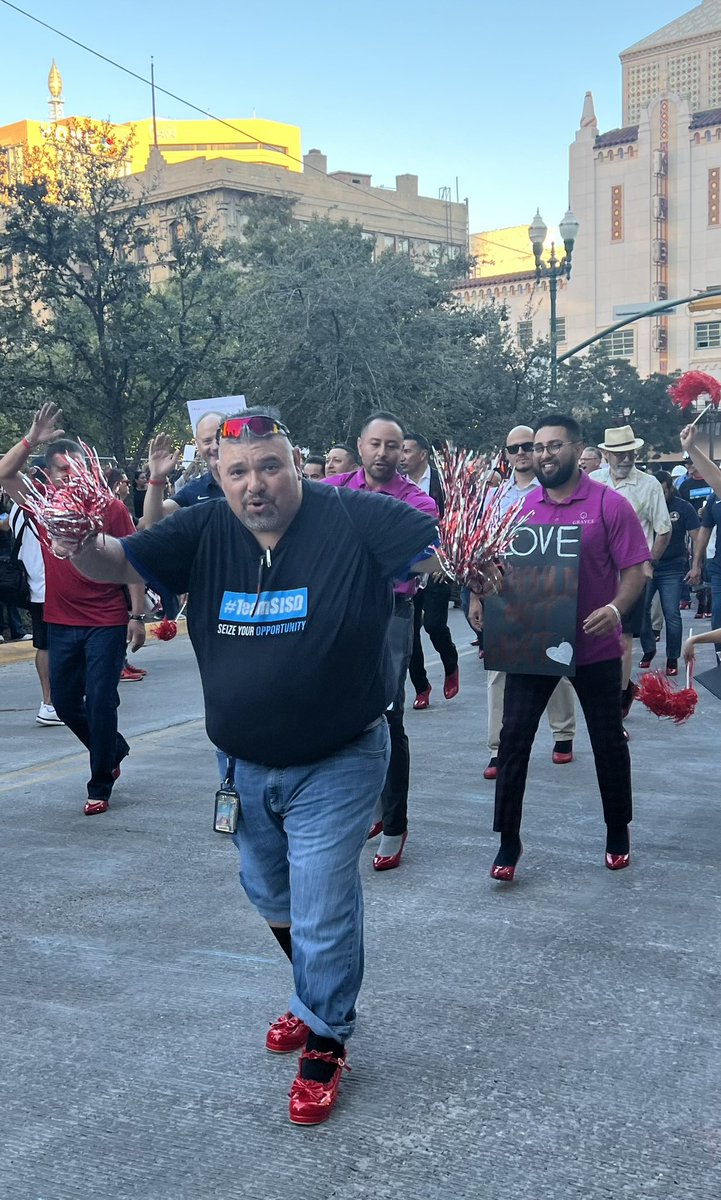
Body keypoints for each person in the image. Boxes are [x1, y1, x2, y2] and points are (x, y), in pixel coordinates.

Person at [46, 406, 439, 1126]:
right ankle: (309, 991)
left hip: (340, 754)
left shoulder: (352, 514)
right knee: (269, 892)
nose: (255, 484)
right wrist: (76, 542)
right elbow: (114, 560)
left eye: (269, 466)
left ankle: (326, 1038)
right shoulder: (202, 528)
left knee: (322, 903)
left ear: (294, 467)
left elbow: (434, 550)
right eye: (237, 472)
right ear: (219, 479)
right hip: (241, 763)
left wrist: (474, 570)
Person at [471, 413, 650, 881]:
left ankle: (617, 830)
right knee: (512, 742)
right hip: (533, 644)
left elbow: (635, 570)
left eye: (554, 446)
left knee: (609, 743)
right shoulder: (520, 509)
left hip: (594, 647)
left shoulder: (610, 506)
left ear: (576, 448)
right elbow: (497, 567)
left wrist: (615, 609)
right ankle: (508, 841)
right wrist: (480, 592)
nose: (544, 454)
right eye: (537, 447)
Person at [0, 405, 146, 816]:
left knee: (101, 699)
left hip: (106, 619)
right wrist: (31, 438)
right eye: (64, 471)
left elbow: (132, 562)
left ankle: (101, 778)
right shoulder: (43, 505)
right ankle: (112, 747)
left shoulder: (111, 508)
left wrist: (137, 616)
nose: (72, 477)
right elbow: (5, 475)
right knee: (65, 703)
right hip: (60, 618)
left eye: (78, 469)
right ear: (49, 475)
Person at [324, 412, 438, 871]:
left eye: (393, 446)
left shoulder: (417, 502)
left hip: (392, 613)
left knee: (389, 715)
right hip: (337, 613)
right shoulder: (332, 490)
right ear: (361, 445)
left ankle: (395, 822)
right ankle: (366, 805)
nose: (383, 453)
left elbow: (417, 556)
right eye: (375, 444)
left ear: (403, 452)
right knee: (343, 716)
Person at [482, 425, 576, 780]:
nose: (521, 453)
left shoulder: (554, 491)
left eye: (528, 446)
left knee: (556, 663)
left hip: (550, 588)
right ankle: (497, 747)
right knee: (497, 673)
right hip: (504, 590)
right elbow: (483, 547)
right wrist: (478, 595)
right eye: (514, 448)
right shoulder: (493, 497)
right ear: (506, 454)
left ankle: (563, 734)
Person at [591, 425, 671, 718]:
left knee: (623, 635)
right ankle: (606, 687)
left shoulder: (649, 484)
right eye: (618, 454)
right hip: (597, 571)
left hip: (631, 572)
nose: (625, 459)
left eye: (629, 453)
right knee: (595, 632)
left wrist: (648, 564)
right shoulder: (593, 481)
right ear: (605, 455)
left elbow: (663, 530)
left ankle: (619, 694)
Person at [400, 431, 459, 708]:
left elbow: (458, 524)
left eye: (407, 451)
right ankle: (421, 686)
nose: (401, 456)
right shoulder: (395, 484)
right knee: (409, 633)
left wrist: (446, 560)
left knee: (434, 624)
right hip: (408, 567)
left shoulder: (444, 483)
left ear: (422, 454)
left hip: (438, 563)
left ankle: (451, 664)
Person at [8, 494, 64, 725]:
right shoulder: (45, 507)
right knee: (61, 644)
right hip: (53, 583)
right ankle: (55, 702)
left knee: (44, 644)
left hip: (35, 584)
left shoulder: (15, 510)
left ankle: (48, 702)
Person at [637, 471, 699, 676]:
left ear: (670, 487)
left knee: (671, 613)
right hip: (645, 564)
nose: (660, 495)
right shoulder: (644, 504)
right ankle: (649, 649)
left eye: (663, 490)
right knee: (641, 611)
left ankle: (672, 657)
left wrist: (696, 565)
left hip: (672, 566)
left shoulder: (683, 507)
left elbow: (697, 536)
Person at [141, 412, 226, 525]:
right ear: (198, 445)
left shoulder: (252, 481)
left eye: (219, 439)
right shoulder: (194, 489)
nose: (215, 447)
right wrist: (156, 477)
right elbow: (154, 522)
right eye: (207, 441)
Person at [680, 423, 721, 633]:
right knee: (718, 628)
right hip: (719, 568)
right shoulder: (715, 496)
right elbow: (705, 529)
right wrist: (692, 448)